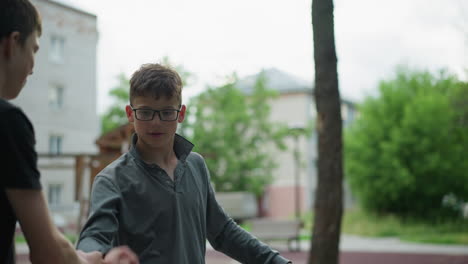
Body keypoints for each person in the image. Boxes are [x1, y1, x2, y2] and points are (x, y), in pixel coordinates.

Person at [76, 63, 293, 264]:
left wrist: (275, 261)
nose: (156, 122)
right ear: (130, 114)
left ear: (181, 114)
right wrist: (84, 257)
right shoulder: (111, 179)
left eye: (167, 112)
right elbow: (95, 237)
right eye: (145, 112)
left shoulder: (195, 165)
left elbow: (222, 231)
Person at [0, 0, 139, 263]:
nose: (32, 67)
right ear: (12, 43)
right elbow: (47, 252)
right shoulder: (8, 123)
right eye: (33, 50)